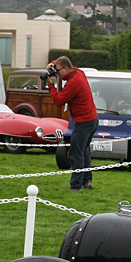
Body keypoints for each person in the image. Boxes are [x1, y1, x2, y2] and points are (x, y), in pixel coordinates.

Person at [47, 56, 98, 191]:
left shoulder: (73, 82)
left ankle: (76, 185)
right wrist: (52, 64)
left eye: (58, 71)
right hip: (92, 120)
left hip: (84, 122)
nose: (57, 74)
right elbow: (65, 61)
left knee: (75, 154)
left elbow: (59, 100)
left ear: (65, 68)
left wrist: (50, 85)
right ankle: (87, 181)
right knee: (84, 151)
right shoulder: (78, 72)